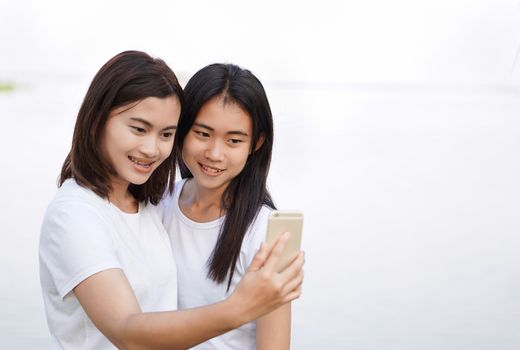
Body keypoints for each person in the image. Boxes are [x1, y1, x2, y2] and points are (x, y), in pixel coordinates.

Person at [39, 51, 304, 350]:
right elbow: (127, 330)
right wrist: (239, 307)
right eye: (139, 128)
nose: (151, 148)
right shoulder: (78, 213)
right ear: (96, 121)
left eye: (165, 133)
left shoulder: (147, 204)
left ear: (255, 144)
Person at [160, 63, 292, 350]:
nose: (214, 154)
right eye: (203, 134)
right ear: (183, 130)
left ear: (255, 144)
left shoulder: (268, 233)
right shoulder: (156, 204)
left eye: (233, 140)